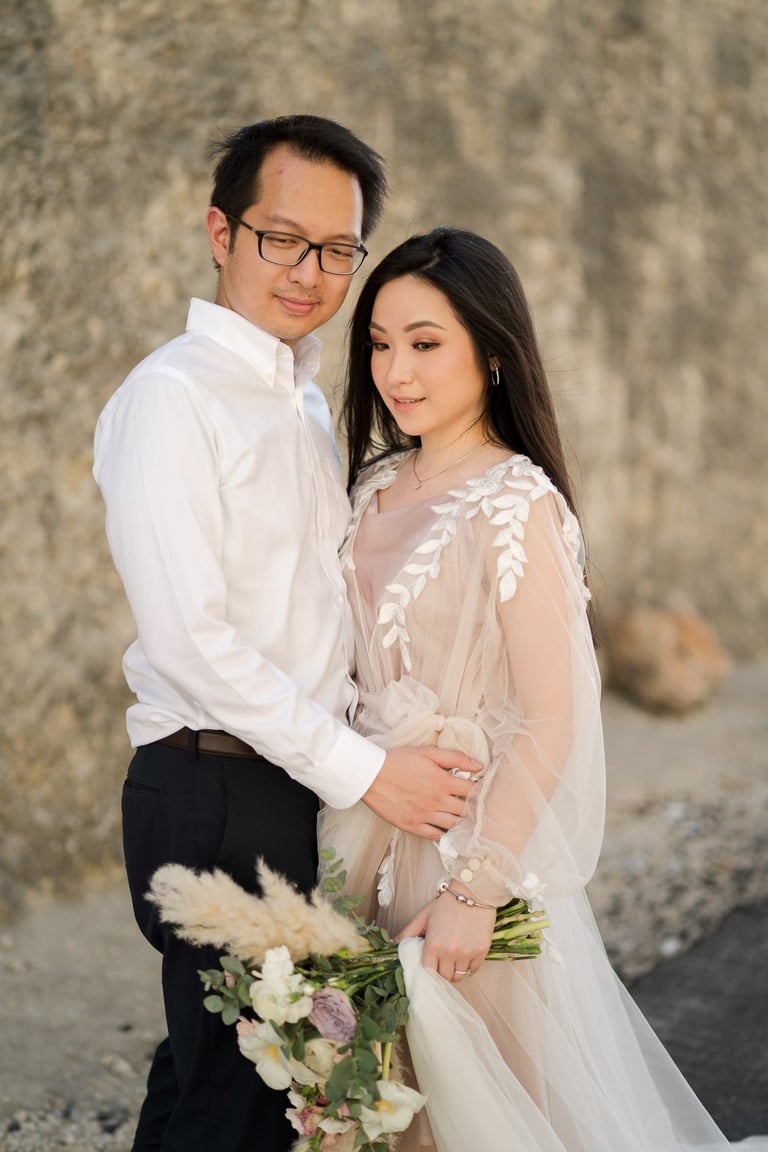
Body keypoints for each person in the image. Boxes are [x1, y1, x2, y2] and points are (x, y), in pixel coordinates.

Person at [318, 226, 768, 1151]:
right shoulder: (370, 486)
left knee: (492, 1107)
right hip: (358, 831)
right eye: (381, 342)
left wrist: (478, 891)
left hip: (467, 849)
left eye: (426, 343)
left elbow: (553, 714)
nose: (397, 370)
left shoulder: (515, 503)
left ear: (491, 354)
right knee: (377, 1102)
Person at [92, 119, 480, 1152]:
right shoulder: (173, 400)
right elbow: (191, 647)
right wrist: (366, 771)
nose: (310, 272)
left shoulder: (305, 401)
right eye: (282, 238)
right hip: (213, 783)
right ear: (222, 233)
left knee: (210, 1073)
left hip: (294, 784)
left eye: (337, 249)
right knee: (245, 1102)